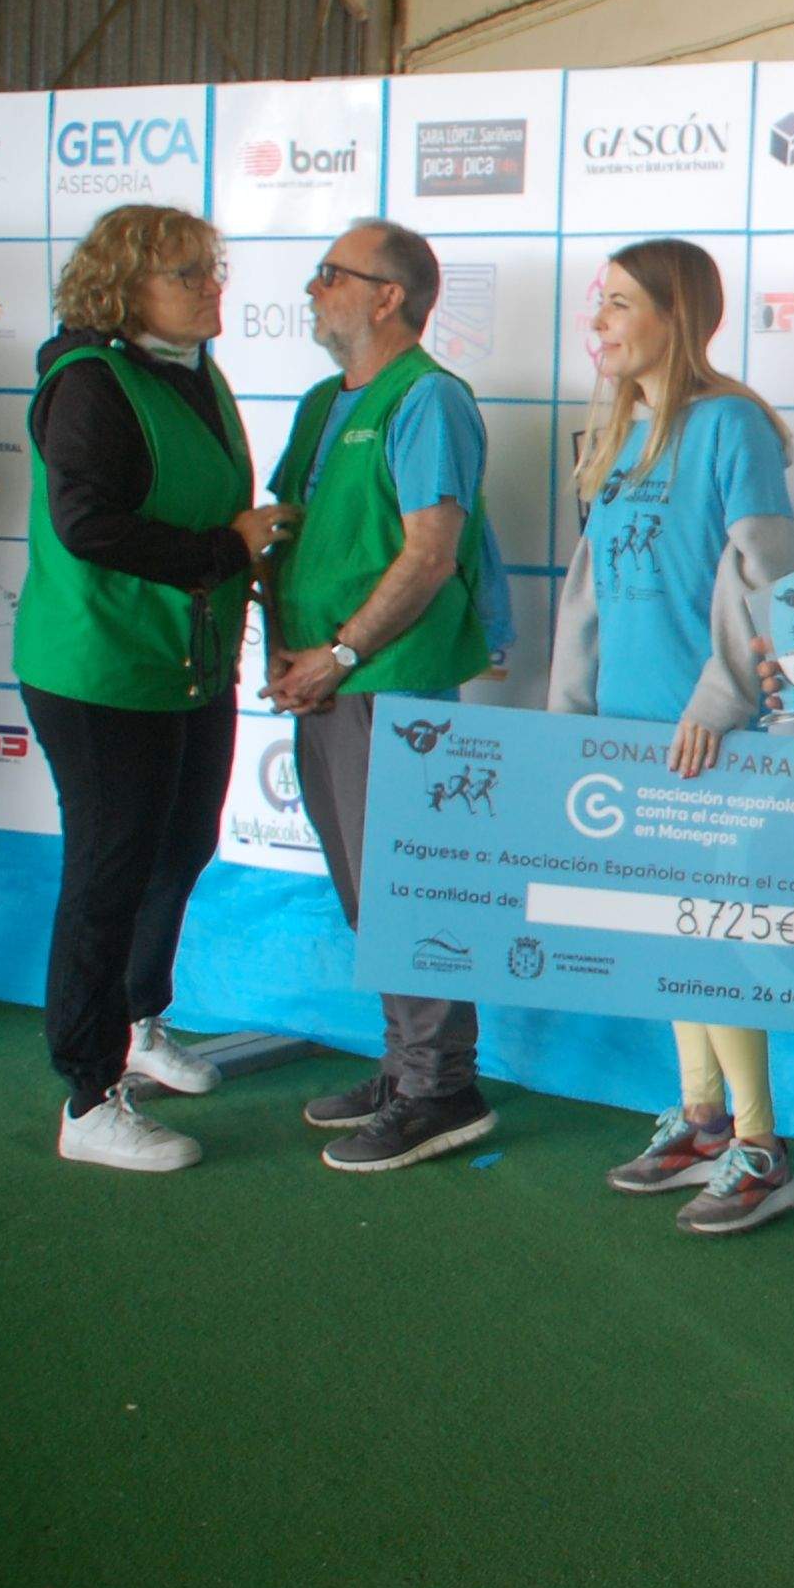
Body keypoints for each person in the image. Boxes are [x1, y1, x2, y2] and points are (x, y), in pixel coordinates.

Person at [545, 239, 794, 1234]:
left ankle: (761, 1144)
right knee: (667, 939)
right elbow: (589, 595)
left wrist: (713, 704)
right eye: (599, 304)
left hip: (707, 737)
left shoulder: (731, 423)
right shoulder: (619, 430)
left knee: (711, 945)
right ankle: (700, 1118)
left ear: (678, 314)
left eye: (620, 303)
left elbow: (765, 575)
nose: (602, 322)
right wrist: (569, 719)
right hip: (625, 735)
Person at [17, 205, 287, 1171]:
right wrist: (226, 549)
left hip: (185, 660)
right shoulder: (89, 382)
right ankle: (88, 1098)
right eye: (188, 274)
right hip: (100, 671)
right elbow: (87, 523)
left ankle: (137, 1017)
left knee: (181, 845)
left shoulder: (188, 369)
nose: (214, 288)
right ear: (126, 289)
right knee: (108, 869)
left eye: (214, 269)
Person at [270, 218, 503, 1174]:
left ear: (388, 296)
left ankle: (442, 1087)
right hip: (327, 682)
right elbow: (287, 528)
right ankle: (408, 1066)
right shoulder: (327, 399)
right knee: (371, 891)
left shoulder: (430, 398)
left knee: (408, 889)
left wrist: (339, 649)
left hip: (388, 685)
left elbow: (429, 553)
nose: (313, 287)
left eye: (333, 274)